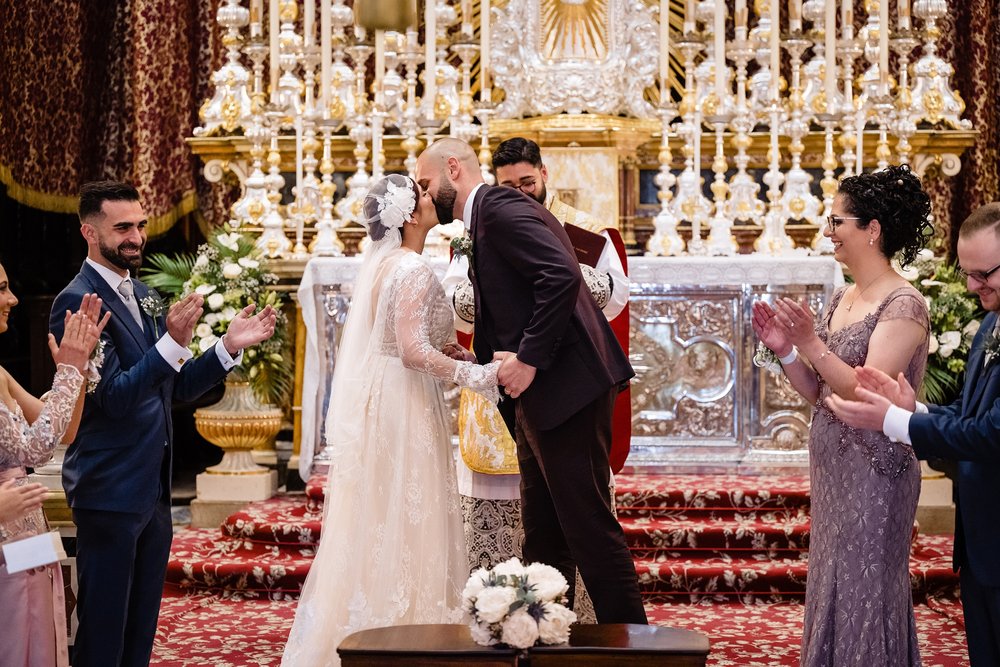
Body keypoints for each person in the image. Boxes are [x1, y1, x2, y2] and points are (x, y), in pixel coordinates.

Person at [415, 138, 646, 624]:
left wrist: (528, 359)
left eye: (425, 181)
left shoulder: (497, 206)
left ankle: (636, 647)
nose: (422, 191)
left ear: (452, 168)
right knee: (545, 530)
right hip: (548, 393)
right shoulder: (491, 213)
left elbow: (562, 276)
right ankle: (544, 633)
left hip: (568, 388)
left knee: (588, 526)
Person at [49, 180, 278, 667]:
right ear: (89, 233)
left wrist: (227, 347)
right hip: (108, 490)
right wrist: (170, 344)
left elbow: (172, 387)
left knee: (139, 636)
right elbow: (111, 399)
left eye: (141, 225)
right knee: (104, 635)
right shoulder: (76, 303)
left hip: (151, 492)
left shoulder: (148, 295)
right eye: (123, 228)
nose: (137, 237)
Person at [281, 174, 501, 666]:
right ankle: (410, 632)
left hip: (387, 394)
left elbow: (409, 339)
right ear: (408, 215)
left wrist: (453, 353)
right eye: (422, 195)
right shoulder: (411, 269)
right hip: (405, 398)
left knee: (384, 511)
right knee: (409, 506)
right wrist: (478, 374)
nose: (431, 198)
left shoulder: (385, 268)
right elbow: (412, 350)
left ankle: (373, 625)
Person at [752, 164, 932, 666]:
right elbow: (821, 392)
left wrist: (811, 340)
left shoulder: (904, 304)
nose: (828, 233)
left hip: (877, 467)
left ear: (872, 229)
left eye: (836, 222)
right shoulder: (842, 296)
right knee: (833, 580)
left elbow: (864, 390)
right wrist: (787, 351)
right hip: (834, 464)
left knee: (866, 587)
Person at [827, 202, 1000, 666]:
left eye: (984, 274)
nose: (971, 286)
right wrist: (914, 408)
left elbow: (992, 434)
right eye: (968, 273)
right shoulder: (990, 324)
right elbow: (969, 412)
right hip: (982, 539)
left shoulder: (904, 303)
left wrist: (894, 423)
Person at [1, 264, 108, 667]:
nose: (13, 299)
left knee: (40, 633)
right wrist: (68, 373)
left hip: (28, 532)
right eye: (2, 289)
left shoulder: (0, 374)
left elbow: (63, 430)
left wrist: (77, 371)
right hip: (2, 532)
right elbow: (36, 448)